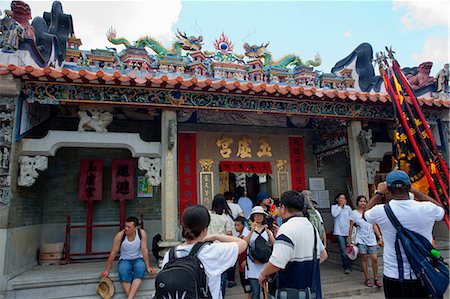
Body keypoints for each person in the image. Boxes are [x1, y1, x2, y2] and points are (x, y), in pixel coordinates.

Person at [364, 170, 445, 299]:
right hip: (425, 275)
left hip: (394, 277)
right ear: (409, 187)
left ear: (388, 189)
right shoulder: (426, 208)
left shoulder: (381, 211)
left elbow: (365, 213)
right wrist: (416, 191)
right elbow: (441, 210)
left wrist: (378, 193)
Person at [161, 205, 247, 299]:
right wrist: (216, 236)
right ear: (205, 229)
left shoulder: (170, 254)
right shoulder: (212, 251)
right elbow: (242, 243)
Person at [258, 191, 328, 298]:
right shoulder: (310, 226)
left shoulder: (286, 228)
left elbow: (277, 262)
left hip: (289, 290)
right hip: (309, 292)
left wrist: (263, 274)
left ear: (283, 208)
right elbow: (323, 255)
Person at [100, 216, 158, 299]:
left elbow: (144, 250)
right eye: (125, 226)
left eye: (129, 227)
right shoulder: (120, 236)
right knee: (123, 270)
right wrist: (107, 270)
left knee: (140, 268)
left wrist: (148, 266)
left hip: (138, 258)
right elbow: (113, 253)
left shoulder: (141, 233)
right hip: (125, 260)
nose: (126, 229)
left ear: (135, 228)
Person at [347, 195, 383, 287]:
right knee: (363, 257)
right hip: (361, 238)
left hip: (371, 238)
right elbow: (351, 226)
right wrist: (349, 239)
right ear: (357, 202)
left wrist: (379, 236)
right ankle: (367, 278)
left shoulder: (369, 212)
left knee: (374, 258)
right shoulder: (354, 213)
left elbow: (374, 225)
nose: (363, 203)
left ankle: (376, 278)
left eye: (364, 201)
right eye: (361, 201)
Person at [244, 206, 275, 299]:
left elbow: (274, 244)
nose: (259, 217)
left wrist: (269, 233)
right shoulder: (248, 229)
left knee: (267, 291)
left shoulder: (267, 229)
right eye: (256, 215)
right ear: (252, 217)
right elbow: (244, 243)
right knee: (255, 292)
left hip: (265, 264)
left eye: (260, 215)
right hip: (253, 264)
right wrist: (252, 231)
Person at [209, 194, 234, 296]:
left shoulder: (208, 215)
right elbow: (229, 234)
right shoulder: (226, 218)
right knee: (222, 272)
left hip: (209, 246)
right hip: (222, 248)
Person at [224, 191, 244, 288]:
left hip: (225, 236)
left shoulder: (222, 208)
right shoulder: (236, 206)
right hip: (235, 235)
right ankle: (233, 279)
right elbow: (242, 216)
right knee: (234, 256)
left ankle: (228, 278)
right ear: (232, 198)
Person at [331, 193, 353, 274]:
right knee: (343, 250)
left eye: (344, 198)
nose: (343, 199)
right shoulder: (334, 207)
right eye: (341, 198)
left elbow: (351, 218)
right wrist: (340, 206)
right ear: (337, 199)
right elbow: (334, 214)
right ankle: (346, 267)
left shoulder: (348, 208)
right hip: (339, 231)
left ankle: (348, 264)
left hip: (347, 231)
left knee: (349, 249)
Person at [235, 216, 252, 299]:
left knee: (247, 287)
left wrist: (247, 260)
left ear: (243, 225)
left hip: (246, 265)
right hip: (241, 265)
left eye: (238, 225)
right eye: (235, 225)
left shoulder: (246, 236)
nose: (236, 227)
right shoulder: (240, 235)